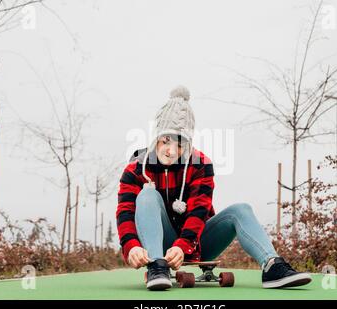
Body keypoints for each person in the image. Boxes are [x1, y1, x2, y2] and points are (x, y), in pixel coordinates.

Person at [115, 85, 312, 290]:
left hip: (195, 245)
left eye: (180, 145)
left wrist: (182, 246)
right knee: (147, 195)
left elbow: (200, 211)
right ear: (156, 137)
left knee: (241, 209)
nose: (171, 150)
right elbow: (125, 212)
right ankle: (157, 266)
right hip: (155, 245)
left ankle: (272, 266)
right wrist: (131, 246)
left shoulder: (201, 165)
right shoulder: (135, 169)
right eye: (166, 140)